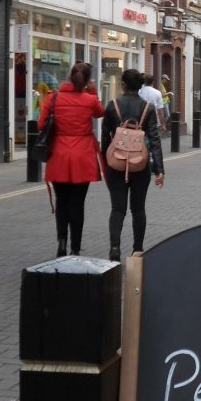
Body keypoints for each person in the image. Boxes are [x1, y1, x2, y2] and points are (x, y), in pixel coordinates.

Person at [38, 61, 104, 258]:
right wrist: (93, 92)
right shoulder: (89, 99)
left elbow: (41, 124)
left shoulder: (54, 97)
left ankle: (61, 242)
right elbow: (100, 113)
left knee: (62, 202)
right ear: (86, 81)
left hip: (58, 155)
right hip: (82, 157)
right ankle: (75, 247)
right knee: (77, 203)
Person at [101, 68, 164, 261]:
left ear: (123, 85)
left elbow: (105, 139)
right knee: (138, 209)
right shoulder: (148, 108)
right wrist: (159, 169)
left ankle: (114, 247)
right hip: (140, 164)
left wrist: (106, 163)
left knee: (117, 209)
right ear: (140, 86)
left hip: (116, 164)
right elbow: (155, 140)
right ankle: (137, 249)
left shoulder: (112, 106)